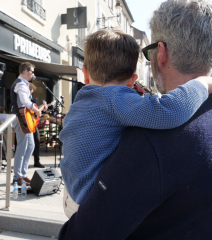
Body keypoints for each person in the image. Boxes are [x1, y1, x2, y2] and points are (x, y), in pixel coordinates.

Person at [58, 0, 212, 239]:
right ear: (132, 79)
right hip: (86, 194)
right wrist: (203, 83)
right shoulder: (118, 100)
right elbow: (167, 110)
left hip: (74, 191)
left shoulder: (85, 102)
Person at [10, 62, 46, 186]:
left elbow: (26, 103)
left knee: (30, 146)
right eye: (31, 71)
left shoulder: (24, 84)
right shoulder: (20, 84)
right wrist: (36, 110)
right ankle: (16, 177)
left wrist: (36, 109)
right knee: (22, 147)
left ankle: (23, 174)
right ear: (25, 71)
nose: (33, 74)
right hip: (20, 119)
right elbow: (24, 101)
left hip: (24, 118)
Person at [29, 83, 45, 168]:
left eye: (31, 90)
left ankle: (36, 161)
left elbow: (36, 111)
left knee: (37, 141)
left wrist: (43, 107)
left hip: (33, 123)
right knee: (29, 145)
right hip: (28, 123)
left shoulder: (33, 99)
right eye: (30, 89)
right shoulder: (24, 99)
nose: (31, 91)